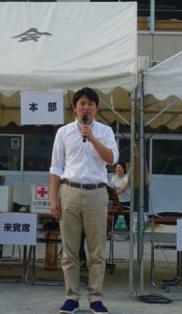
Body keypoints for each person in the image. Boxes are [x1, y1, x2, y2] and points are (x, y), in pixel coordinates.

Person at [49, 87, 118, 314]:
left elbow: (111, 159)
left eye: (90, 103)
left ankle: (96, 298)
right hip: (69, 190)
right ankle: (71, 297)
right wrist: (53, 199)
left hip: (97, 192)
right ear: (75, 107)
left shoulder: (105, 131)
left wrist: (93, 138)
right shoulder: (64, 132)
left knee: (96, 250)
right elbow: (56, 168)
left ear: (96, 108)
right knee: (69, 250)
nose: (86, 107)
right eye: (82, 103)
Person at [109, 162, 130, 230]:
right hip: (116, 201)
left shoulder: (126, 177)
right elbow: (111, 188)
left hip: (126, 201)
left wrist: (113, 194)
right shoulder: (113, 177)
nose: (117, 169)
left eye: (119, 167)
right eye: (116, 167)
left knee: (128, 218)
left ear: (123, 169)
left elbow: (123, 188)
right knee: (114, 217)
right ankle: (110, 232)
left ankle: (130, 234)